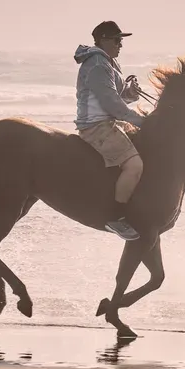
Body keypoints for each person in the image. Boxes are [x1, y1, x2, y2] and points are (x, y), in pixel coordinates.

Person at [74, 20, 147, 240]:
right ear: (104, 40)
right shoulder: (98, 64)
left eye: (121, 40)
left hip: (107, 121)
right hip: (96, 126)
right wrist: (143, 122)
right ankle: (116, 217)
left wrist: (130, 94)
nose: (120, 45)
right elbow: (112, 105)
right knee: (134, 165)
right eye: (117, 40)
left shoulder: (108, 62)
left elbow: (116, 98)